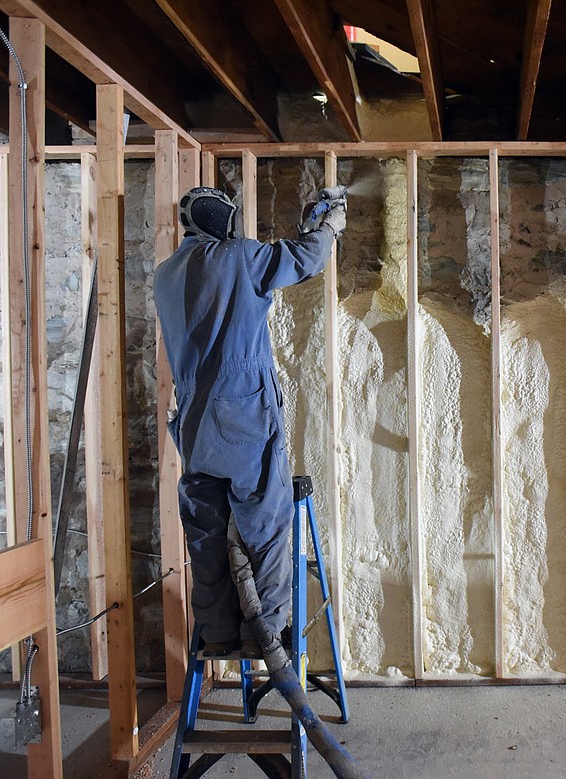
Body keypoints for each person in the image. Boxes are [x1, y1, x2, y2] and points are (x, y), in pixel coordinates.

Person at [154, 186, 346, 657]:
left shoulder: (166, 274)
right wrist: (328, 229)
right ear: (223, 221)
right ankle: (269, 632)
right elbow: (302, 259)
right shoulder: (237, 257)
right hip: (241, 417)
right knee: (266, 519)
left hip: (194, 425)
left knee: (207, 531)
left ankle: (219, 633)